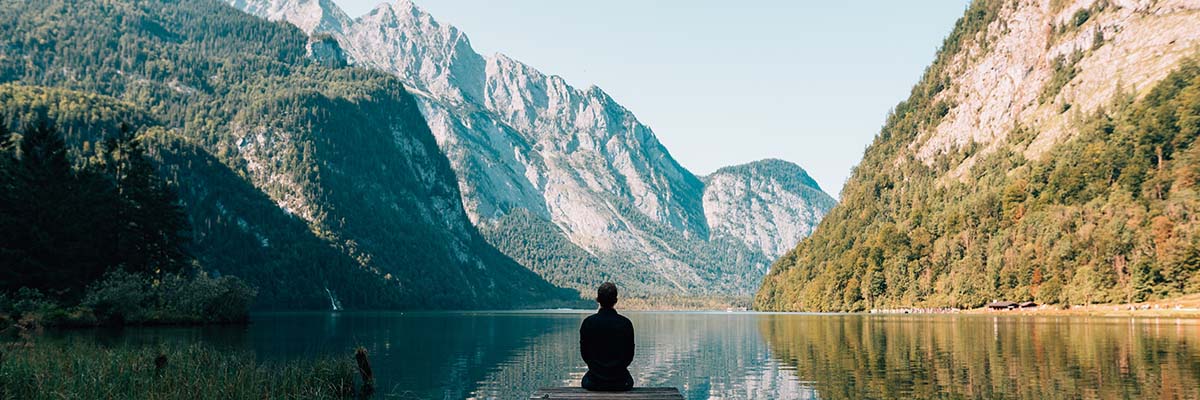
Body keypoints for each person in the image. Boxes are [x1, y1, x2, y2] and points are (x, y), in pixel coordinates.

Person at [579, 282, 635, 391]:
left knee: (585, 380)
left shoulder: (588, 323)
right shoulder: (626, 323)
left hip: (594, 382)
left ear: (598, 299)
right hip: (621, 382)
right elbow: (629, 355)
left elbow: (585, 354)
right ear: (615, 300)